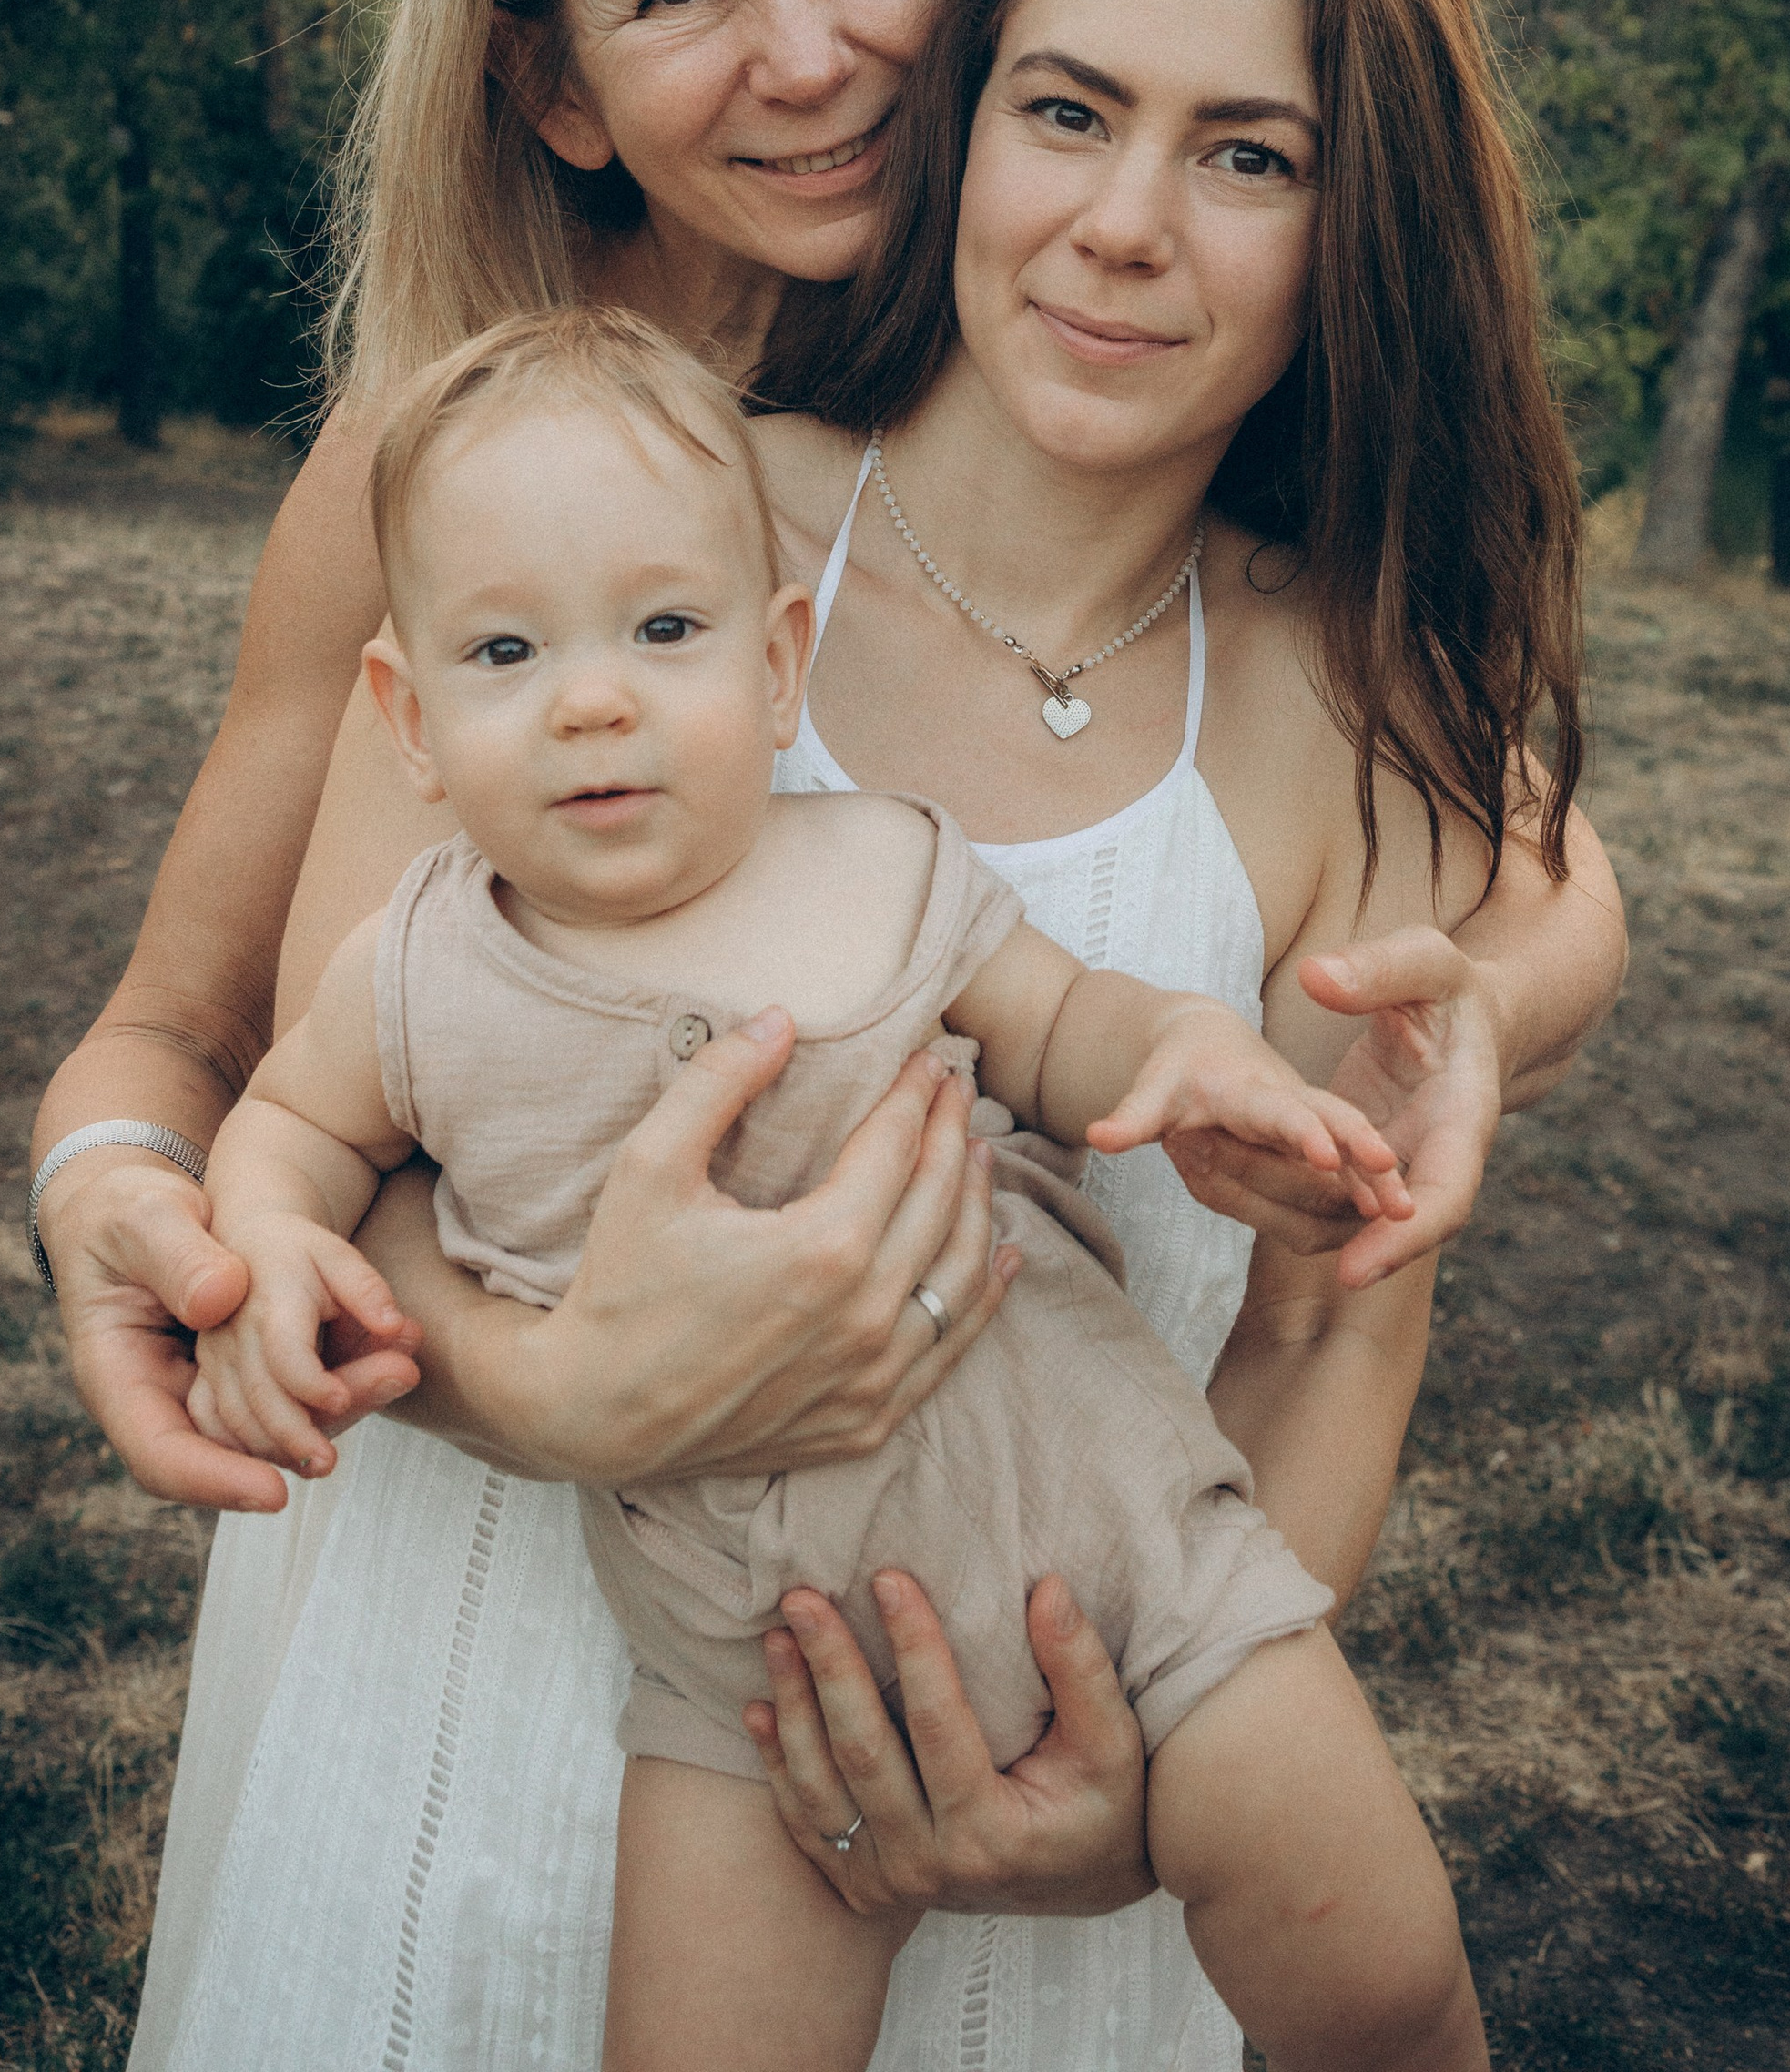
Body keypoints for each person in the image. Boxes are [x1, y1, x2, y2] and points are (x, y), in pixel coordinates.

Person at [25, 0, 1621, 2069]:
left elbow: (1414, 1132)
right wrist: (550, 1376)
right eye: (1068, 115)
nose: (1119, 221)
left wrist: (1161, 1767)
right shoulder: (594, 543)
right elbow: (307, 1084)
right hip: (506, 1667)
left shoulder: (1330, 684)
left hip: (1022, 1716)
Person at [191, 305, 1488, 2072]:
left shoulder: (880, 866)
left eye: (664, 628)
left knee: (1378, 1980)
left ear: (779, 661)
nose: (593, 695)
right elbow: (285, 1127)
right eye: (505, 651)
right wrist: (266, 1242)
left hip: (1102, 1528)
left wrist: (1188, 1062)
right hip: (744, 1670)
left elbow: (1066, 1023)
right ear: (408, 721)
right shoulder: (417, 971)